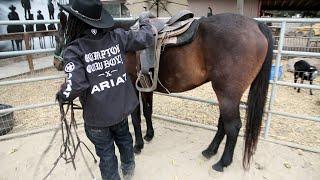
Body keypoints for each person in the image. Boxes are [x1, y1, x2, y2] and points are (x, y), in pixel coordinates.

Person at [55, 0, 154, 179]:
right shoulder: (117, 36)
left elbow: (75, 85)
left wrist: (62, 95)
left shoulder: (74, 49)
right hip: (120, 112)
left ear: (74, 21)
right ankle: (128, 171)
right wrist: (145, 21)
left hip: (97, 118)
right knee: (125, 141)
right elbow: (146, 37)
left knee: (106, 155)